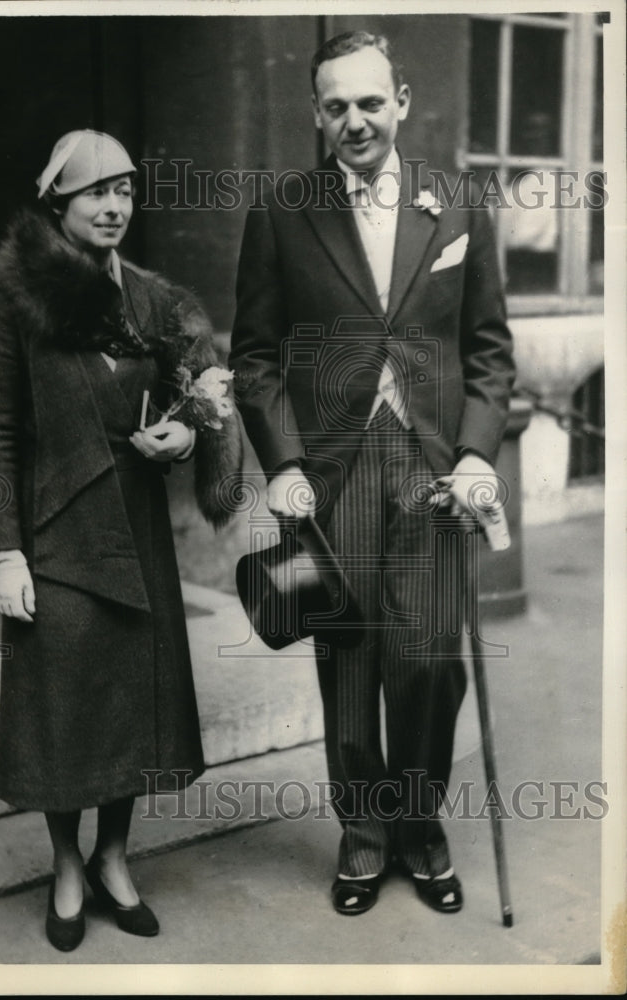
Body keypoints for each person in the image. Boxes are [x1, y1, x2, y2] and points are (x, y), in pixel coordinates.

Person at [230, 32, 515, 916]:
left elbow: (489, 351)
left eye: (369, 102)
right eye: (335, 106)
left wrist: (474, 452)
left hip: (433, 468)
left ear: (401, 102)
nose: (354, 121)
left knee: (428, 663)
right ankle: (363, 836)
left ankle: (418, 825)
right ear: (317, 114)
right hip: (335, 472)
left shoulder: (460, 204)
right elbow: (255, 358)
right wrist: (279, 462)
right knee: (349, 662)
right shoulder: (285, 209)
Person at [0, 129, 241, 950]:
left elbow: (192, 396)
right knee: (65, 711)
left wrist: (188, 439)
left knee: (132, 708)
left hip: (135, 530)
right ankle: (65, 865)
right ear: (59, 201)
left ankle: (114, 857)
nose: (115, 206)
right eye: (96, 192)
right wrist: (2, 550)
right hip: (54, 536)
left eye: (125, 191)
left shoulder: (154, 302)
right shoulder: (12, 303)